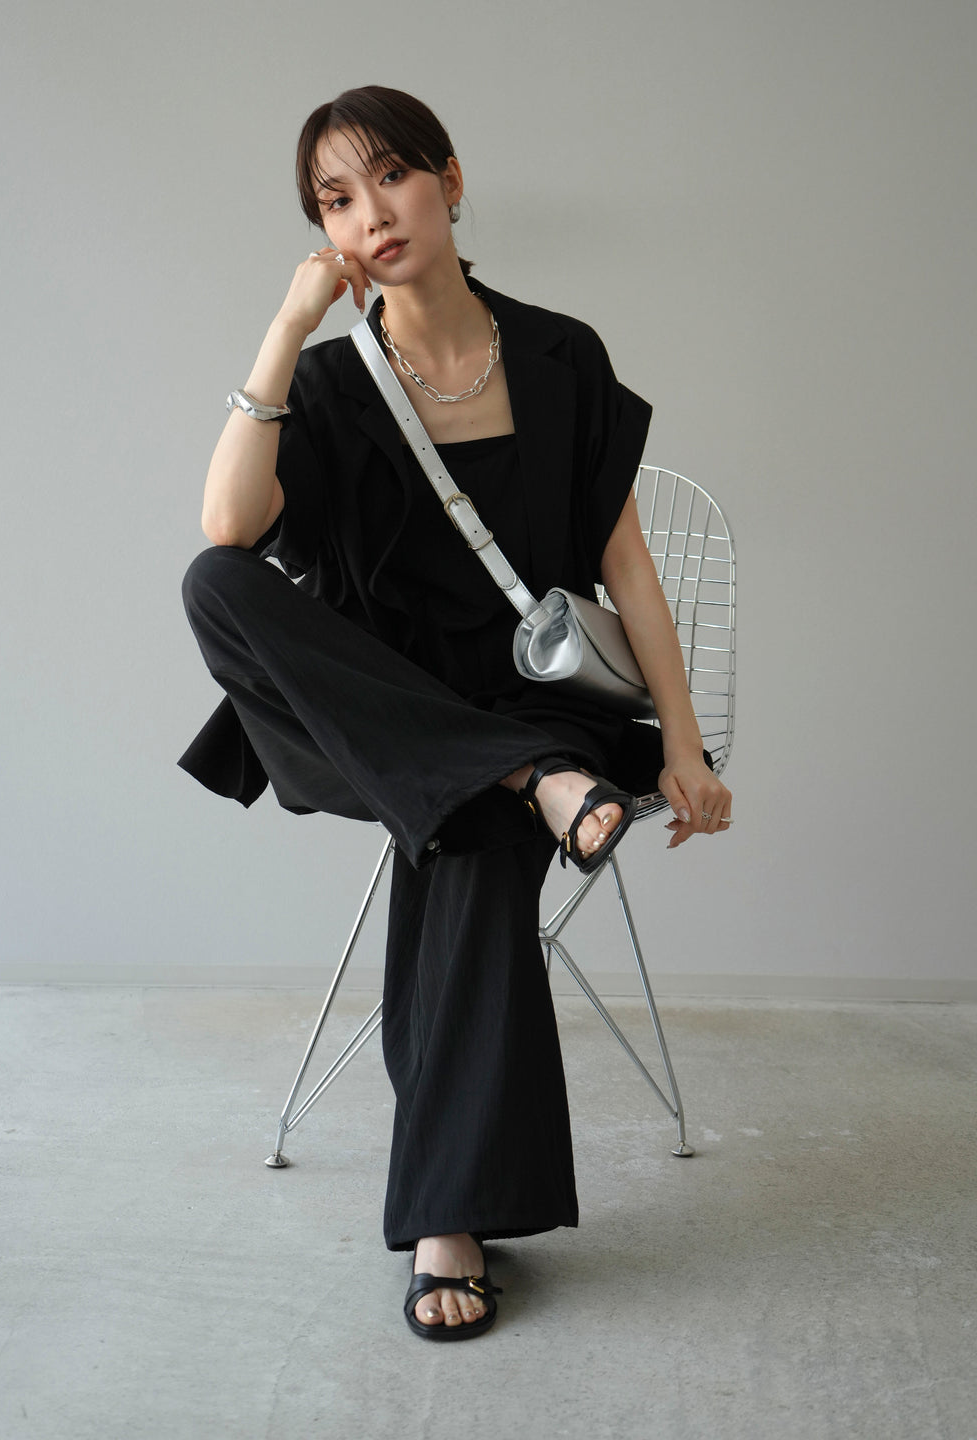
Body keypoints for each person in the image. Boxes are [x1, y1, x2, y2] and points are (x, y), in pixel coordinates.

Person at [180, 85, 732, 1341]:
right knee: (214, 583)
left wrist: (687, 747)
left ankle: (449, 1223)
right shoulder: (330, 385)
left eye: (390, 177)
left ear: (450, 179)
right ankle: (512, 775)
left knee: (467, 839)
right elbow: (228, 527)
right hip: (382, 723)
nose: (370, 214)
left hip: (549, 715)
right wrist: (286, 327)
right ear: (323, 231)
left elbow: (628, 569)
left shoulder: (560, 355)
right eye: (336, 200)